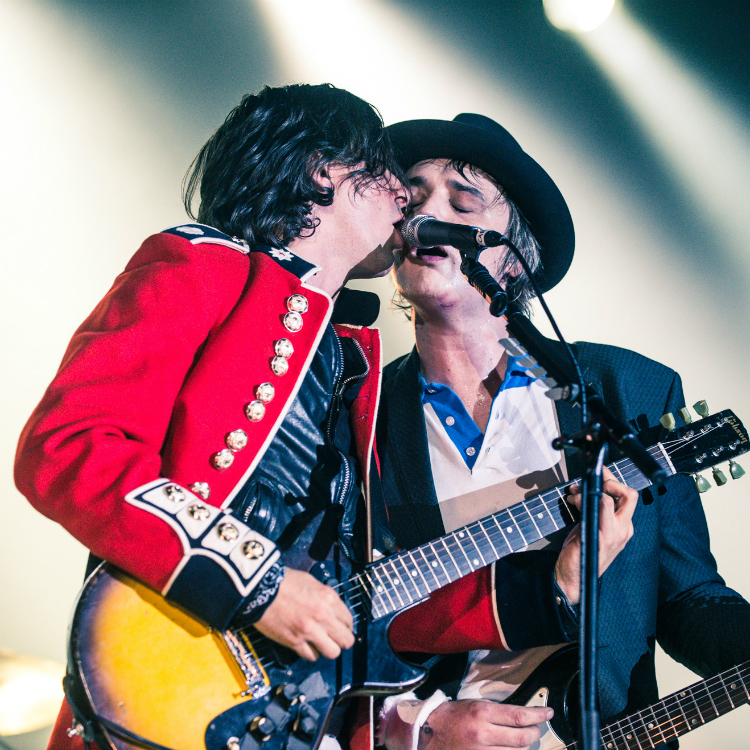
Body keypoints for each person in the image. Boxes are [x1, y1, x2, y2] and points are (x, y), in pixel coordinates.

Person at [14, 82, 416, 750]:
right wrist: (256, 583)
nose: (406, 196)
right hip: (171, 686)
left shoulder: (347, 359)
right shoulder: (206, 265)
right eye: (384, 174)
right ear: (323, 170)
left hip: (287, 716)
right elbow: (65, 446)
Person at [373, 114, 750, 750]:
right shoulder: (362, 413)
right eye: (411, 199)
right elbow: (344, 619)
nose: (425, 214)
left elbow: (687, 596)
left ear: (515, 262)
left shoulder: (627, 389)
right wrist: (418, 727)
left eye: (461, 202)